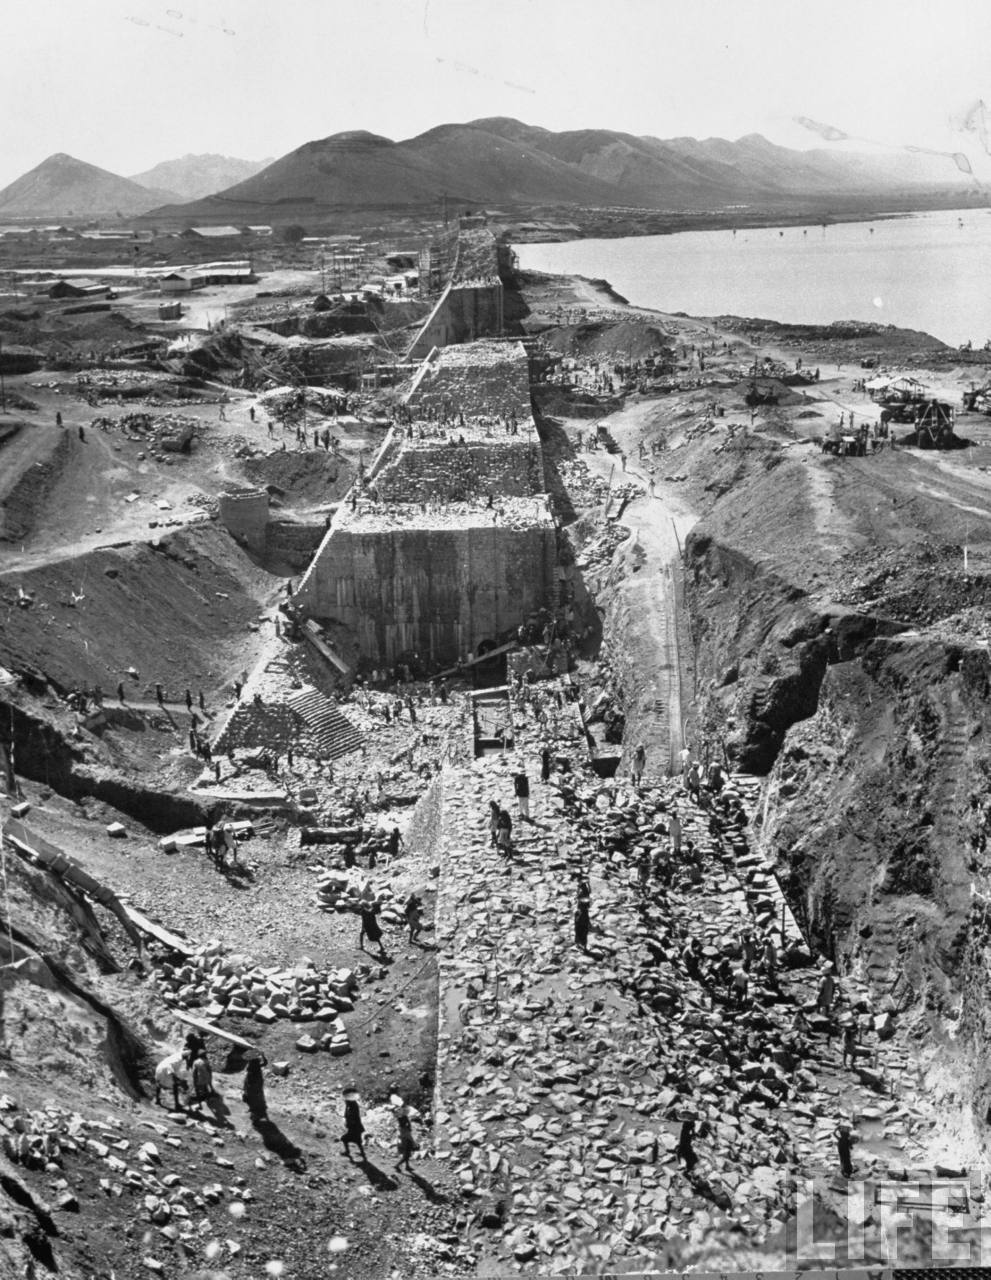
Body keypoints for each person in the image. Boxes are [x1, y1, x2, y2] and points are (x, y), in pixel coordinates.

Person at [242, 1052, 268, 1120]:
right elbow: (265, 1062)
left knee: (252, 1098)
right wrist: (263, 1055)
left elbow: (244, 1059)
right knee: (258, 1095)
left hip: (252, 1084)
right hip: (257, 1083)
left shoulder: (252, 1066)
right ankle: (257, 1110)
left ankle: (254, 1113)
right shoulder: (257, 1065)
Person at [341, 1089, 365, 1159]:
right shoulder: (352, 1105)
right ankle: (362, 1153)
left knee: (344, 1139)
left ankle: (347, 1152)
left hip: (354, 1127)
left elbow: (351, 1117)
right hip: (356, 1127)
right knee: (358, 1141)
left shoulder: (353, 1107)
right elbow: (346, 1115)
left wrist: (348, 1123)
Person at [394, 1097, 416, 1170]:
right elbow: (409, 1136)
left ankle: (407, 1166)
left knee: (407, 1153)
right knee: (406, 1155)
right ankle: (397, 1165)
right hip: (406, 1138)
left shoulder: (401, 1122)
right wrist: (414, 1143)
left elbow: (407, 1123)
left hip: (404, 1137)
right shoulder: (404, 1125)